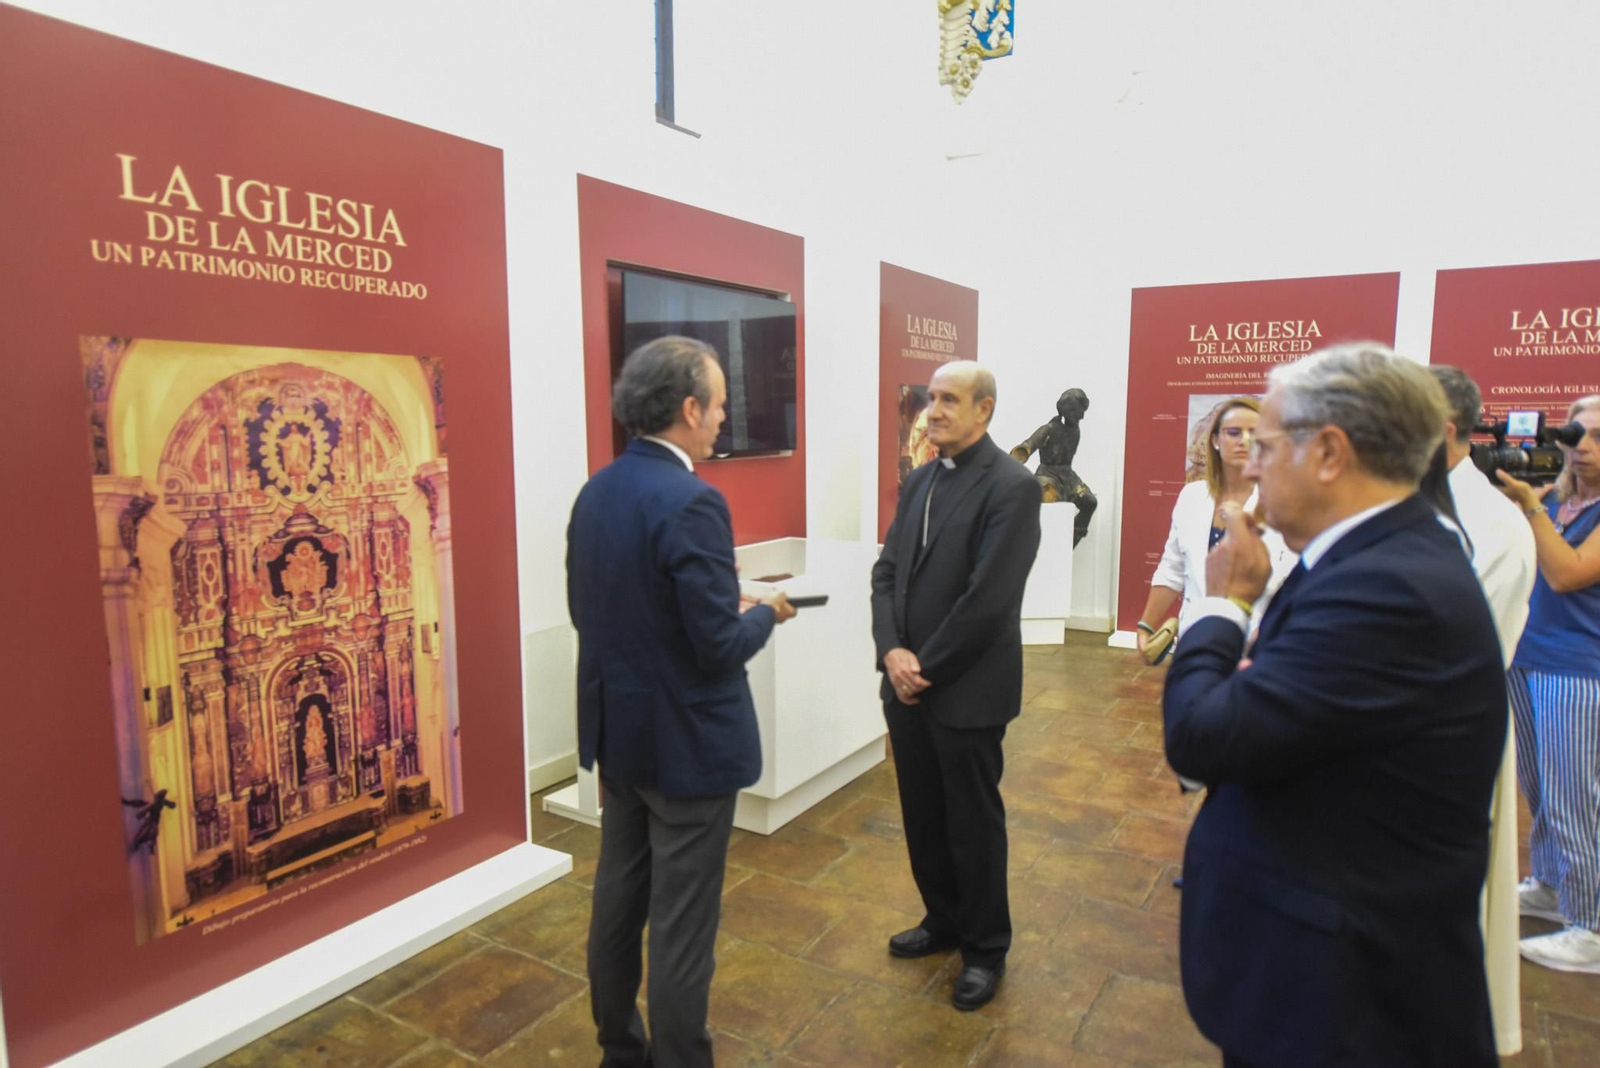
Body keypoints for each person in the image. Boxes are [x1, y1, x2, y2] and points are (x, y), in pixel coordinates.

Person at [1163, 344, 1507, 1066]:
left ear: (1327, 452)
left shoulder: (1389, 589)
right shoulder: (1370, 556)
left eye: (1262, 446)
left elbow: (1201, 735)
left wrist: (1224, 603)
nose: (1249, 467)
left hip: (1345, 1005)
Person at [567, 335, 795, 1068]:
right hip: (688, 748)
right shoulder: (694, 499)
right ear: (689, 408)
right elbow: (717, 647)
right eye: (721, 404)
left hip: (621, 733)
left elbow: (594, 611)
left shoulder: (597, 488)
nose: (726, 418)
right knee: (682, 924)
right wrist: (767, 612)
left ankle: (619, 1048)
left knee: (618, 897)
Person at [870, 360, 1040, 1011]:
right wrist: (890, 650)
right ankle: (942, 920)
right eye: (929, 399)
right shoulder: (919, 483)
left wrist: (923, 665)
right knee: (923, 813)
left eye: (948, 400)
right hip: (908, 683)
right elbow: (886, 573)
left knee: (971, 823)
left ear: (985, 410)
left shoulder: (1013, 487)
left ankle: (984, 948)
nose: (932, 411)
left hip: (965, 688)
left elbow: (988, 602)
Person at [1430, 365, 1537, 1053]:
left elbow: (1446, 652)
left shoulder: (1494, 521)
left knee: (1441, 926)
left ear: (1441, 429)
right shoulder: (1402, 503)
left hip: (1442, 747)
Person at [1495, 393, 1600, 974]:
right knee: (1539, 786)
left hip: (1579, 667)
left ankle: (1592, 924)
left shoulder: (1554, 507)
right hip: (1528, 654)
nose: (1580, 446)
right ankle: (1553, 886)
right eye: (1575, 434)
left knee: (1575, 798)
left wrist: (1528, 512)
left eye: (1595, 437)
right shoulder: (1557, 497)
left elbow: (1565, 574)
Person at [1134, 397, 1294, 656]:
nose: (1244, 440)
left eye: (1254, 433)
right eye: (1233, 432)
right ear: (1216, 440)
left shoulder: (1284, 501)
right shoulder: (1191, 496)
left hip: (1261, 643)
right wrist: (1146, 625)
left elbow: (1294, 581)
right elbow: (1173, 568)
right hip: (1197, 636)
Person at [1008, 387, 1097, 546]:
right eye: (1078, 411)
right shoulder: (1049, 429)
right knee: (1048, 498)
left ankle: (1068, 544)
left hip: (1068, 476)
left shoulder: (1075, 431)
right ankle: (1042, 546)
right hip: (1047, 474)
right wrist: (1012, 464)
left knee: (1089, 502)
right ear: (1068, 410)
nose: (1082, 416)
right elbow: (1028, 446)